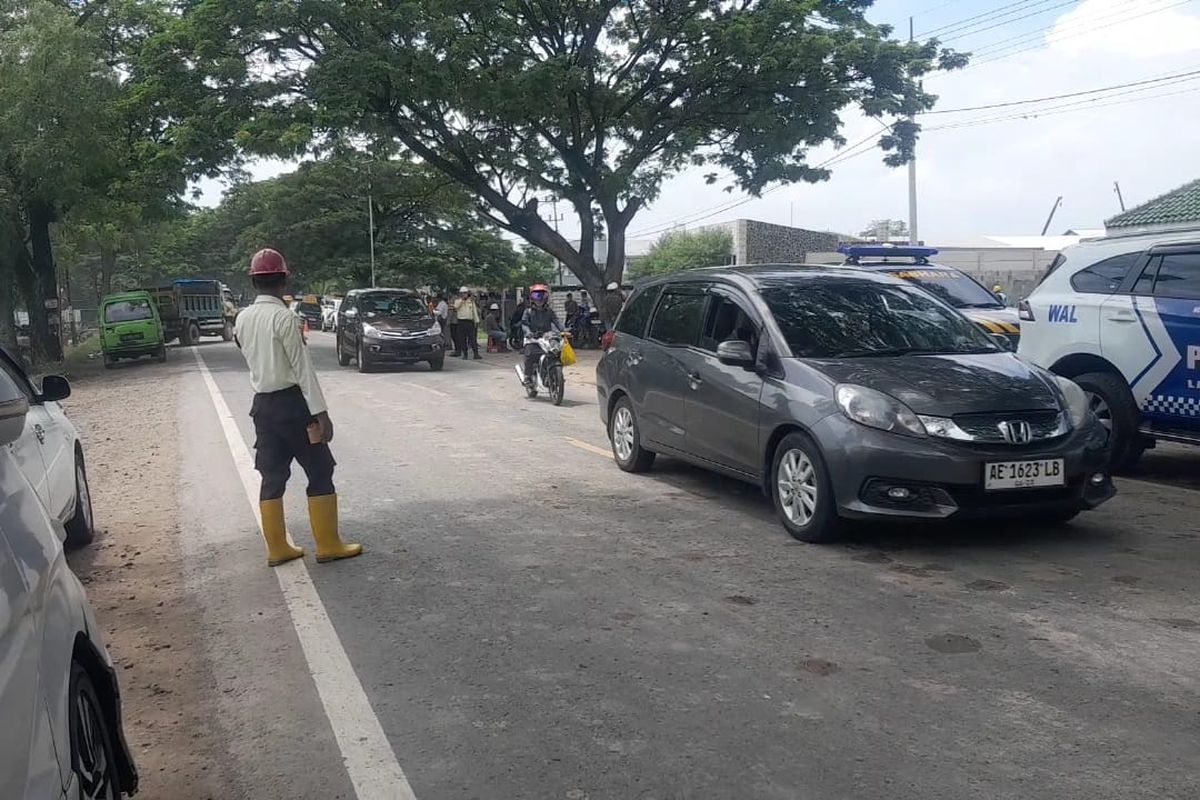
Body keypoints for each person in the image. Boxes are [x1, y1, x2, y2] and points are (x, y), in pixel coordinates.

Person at [233, 248, 362, 567]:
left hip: (262, 407)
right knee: (320, 470)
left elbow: (243, 348)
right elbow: (303, 370)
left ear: (253, 281)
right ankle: (328, 544)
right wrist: (322, 414)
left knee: (271, 476)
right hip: (294, 406)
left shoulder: (243, 318)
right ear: (283, 280)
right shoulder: (285, 317)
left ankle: (277, 549)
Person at [520, 284, 562, 387]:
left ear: (546, 297)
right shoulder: (528, 311)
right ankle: (527, 376)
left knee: (556, 353)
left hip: (546, 337)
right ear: (532, 298)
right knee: (530, 354)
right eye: (536, 295)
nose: (539, 299)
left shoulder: (549, 311)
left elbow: (557, 321)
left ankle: (553, 374)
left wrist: (564, 330)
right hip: (532, 338)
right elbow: (524, 324)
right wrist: (528, 332)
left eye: (542, 295)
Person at [453, 287, 482, 360]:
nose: (464, 294)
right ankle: (465, 354)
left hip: (470, 322)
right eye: (463, 293)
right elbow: (456, 308)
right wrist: (462, 300)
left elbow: (474, 311)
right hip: (461, 321)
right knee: (462, 339)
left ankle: (476, 354)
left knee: (472, 339)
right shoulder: (457, 301)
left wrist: (476, 321)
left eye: (465, 293)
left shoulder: (471, 301)